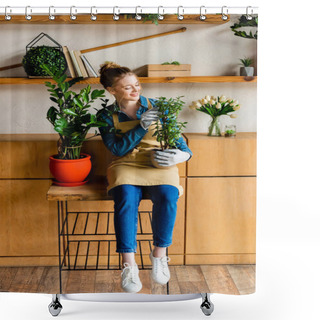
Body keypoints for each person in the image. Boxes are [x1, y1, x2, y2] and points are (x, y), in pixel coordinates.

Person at [97, 62, 192, 293]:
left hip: (158, 162)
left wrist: (181, 155)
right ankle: (129, 265)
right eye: (127, 87)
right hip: (125, 164)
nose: (135, 90)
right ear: (112, 90)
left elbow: (181, 144)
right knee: (126, 197)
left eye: (137, 85)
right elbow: (117, 150)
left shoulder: (159, 106)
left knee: (169, 195)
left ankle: (159, 255)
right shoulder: (106, 115)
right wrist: (141, 126)